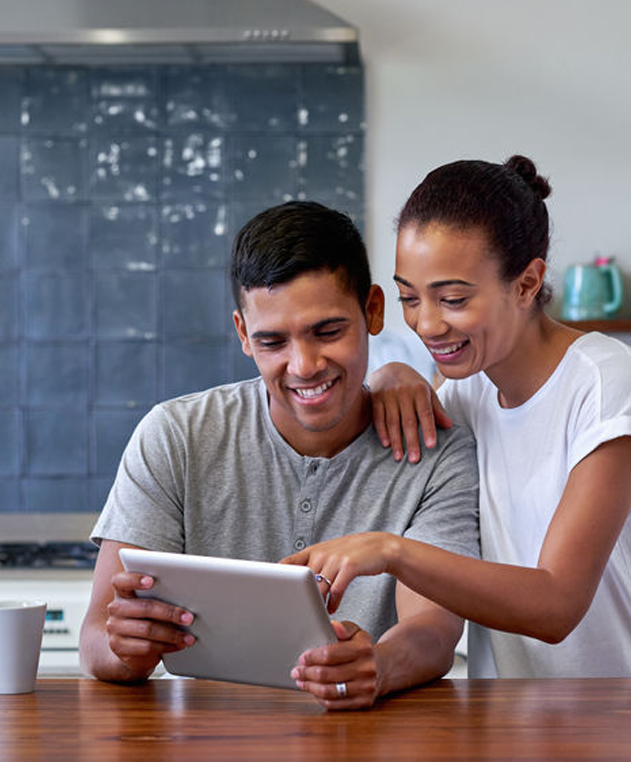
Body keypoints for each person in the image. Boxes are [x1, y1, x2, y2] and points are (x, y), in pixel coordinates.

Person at [284, 156, 631, 678]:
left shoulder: (608, 386)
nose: (428, 324)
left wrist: (393, 551)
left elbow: (556, 604)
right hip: (522, 727)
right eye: (409, 298)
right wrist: (391, 372)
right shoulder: (466, 390)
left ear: (528, 282)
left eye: (454, 298)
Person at [79, 200, 480, 709]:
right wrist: (126, 651)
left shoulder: (437, 452)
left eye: (328, 332)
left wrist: (378, 666)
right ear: (244, 334)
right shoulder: (175, 436)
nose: (305, 365)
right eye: (272, 341)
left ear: (373, 310)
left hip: (366, 738)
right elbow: (96, 640)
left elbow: (433, 629)